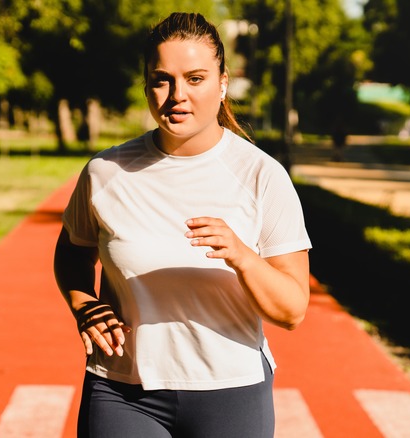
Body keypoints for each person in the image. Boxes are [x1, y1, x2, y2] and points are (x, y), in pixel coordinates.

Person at [54, 12, 312, 438]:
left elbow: (293, 310)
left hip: (230, 390)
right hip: (122, 391)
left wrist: (243, 257)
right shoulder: (105, 171)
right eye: (162, 79)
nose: (177, 95)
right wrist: (84, 307)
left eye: (195, 78)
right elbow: (72, 252)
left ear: (222, 83)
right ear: (147, 87)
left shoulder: (261, 175)